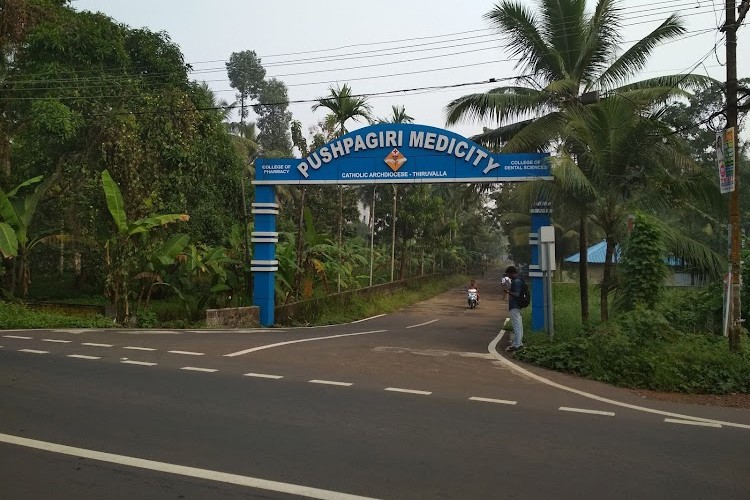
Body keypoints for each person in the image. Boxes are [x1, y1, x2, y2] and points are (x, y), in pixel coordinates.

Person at [503, 266, 524, 351]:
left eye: (508, 274)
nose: (508, 276)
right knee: (518, 324)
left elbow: (517, 294)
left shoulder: (516, 281)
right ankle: (518, 343)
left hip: (515, 305)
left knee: (516, 325)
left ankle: (517, 344)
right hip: (517, 305)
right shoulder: (519, 280)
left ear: (512, 273)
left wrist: (508, 292)